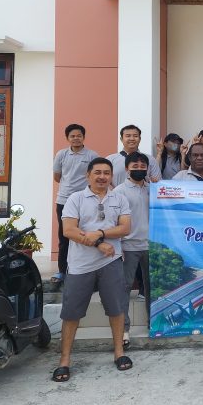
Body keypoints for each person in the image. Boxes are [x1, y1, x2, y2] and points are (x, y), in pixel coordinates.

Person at [54, 157, 132, 382]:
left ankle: (119, 353)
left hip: (111, 262)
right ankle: (65, 361)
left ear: (111, 176)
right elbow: (69, 230)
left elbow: (125, 227)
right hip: (80, 265)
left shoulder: (119, 198)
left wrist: (100, 234)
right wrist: (99, 243)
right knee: (71, 313)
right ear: (88, 175)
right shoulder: (75, 198)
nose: (102, 177)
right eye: (97, 172)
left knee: (116, 310)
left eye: (106, 173)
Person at [52, 124, 99, 286]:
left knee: (86, 233)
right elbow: (57, 177)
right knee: (64, 237)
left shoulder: (92, 155)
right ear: (67, 138)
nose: (76, 138)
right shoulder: (61, 154)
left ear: (83, 137)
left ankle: (88, 270)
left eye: (79, 135)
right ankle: (62, 271)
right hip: (64, 201)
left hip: (86, 200)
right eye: (72, 136)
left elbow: (96, 175)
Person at [112, 152, 150, 349]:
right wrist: (118, 245)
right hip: (128, 246)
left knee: (153, 287)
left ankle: (154, 324)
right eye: (135, 165)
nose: (139, 168)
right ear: (127, 169)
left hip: (151, 246)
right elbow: (114, 220)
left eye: (143, 165)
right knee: (125, 287)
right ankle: (124, 330)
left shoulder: (152, 190)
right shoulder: (119, 191)